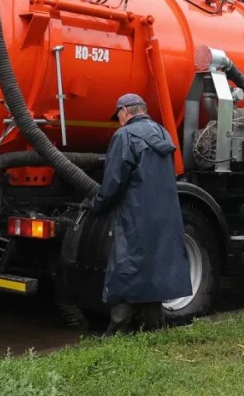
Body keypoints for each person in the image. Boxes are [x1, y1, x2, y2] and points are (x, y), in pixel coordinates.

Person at [85, 93, 192, 335]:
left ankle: (118, 329)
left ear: (125, 111)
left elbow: (114, 182)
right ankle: (155, 327)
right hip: (163, 214)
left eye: (119, 115)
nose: (118, 120)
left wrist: (96, 205)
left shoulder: (124, 136)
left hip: (133, 214)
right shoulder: (163, 133)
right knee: (153, 266)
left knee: (126, 266)